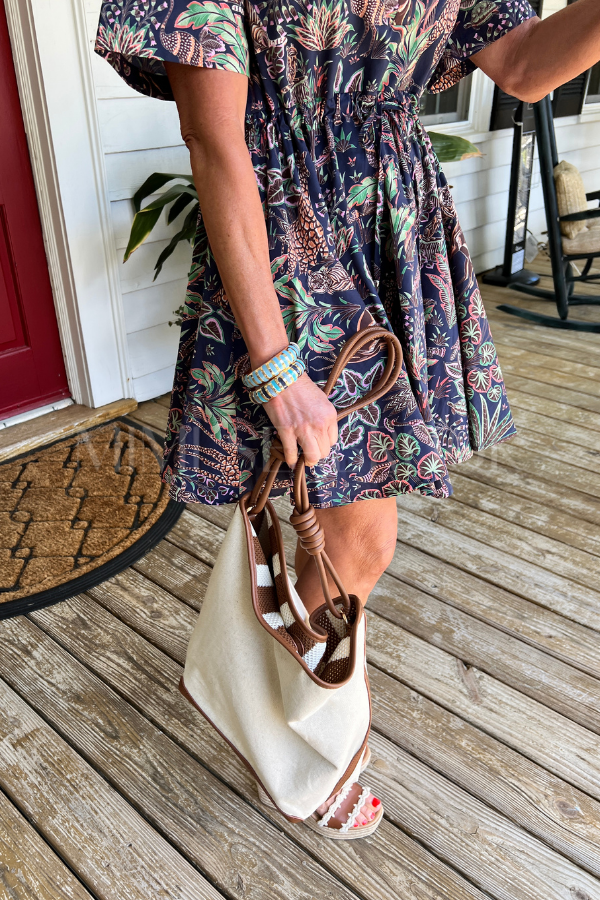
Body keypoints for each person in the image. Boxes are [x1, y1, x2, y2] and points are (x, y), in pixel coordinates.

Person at [95, 0, 600, 838]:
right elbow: (214, 141)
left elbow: (523, 67)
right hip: (289, 236)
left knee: (336, 518)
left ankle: (282, 700)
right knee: (362, 532)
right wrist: (274, 362)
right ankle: (299, 733)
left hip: (395, 225)